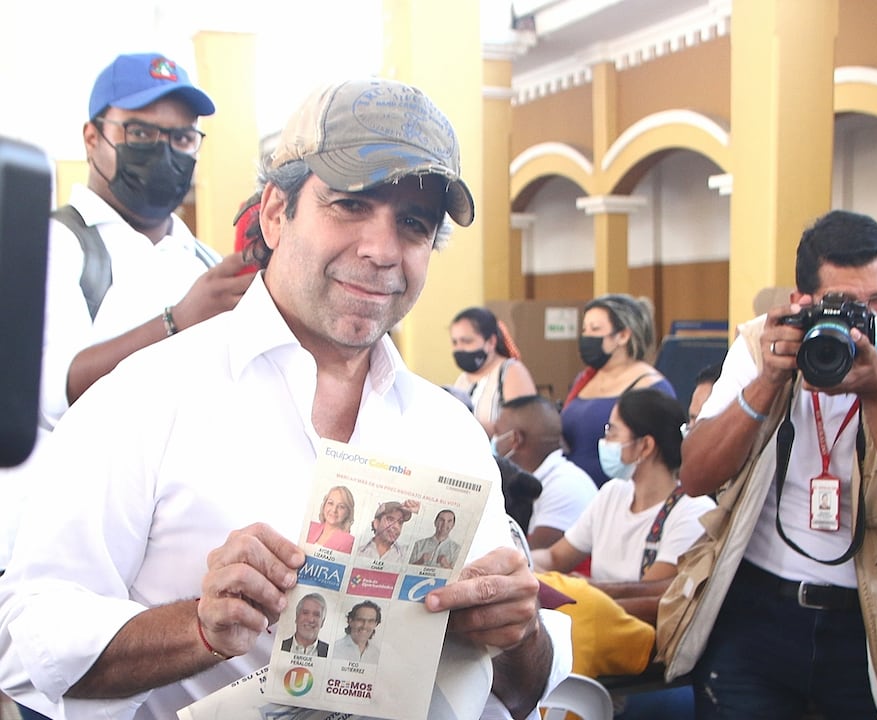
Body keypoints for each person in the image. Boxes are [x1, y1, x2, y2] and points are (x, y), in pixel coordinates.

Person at [0, 77, 567, 720]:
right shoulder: (144, 397)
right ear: (275, 212)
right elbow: (29, 646)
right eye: (350, 205)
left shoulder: (449, 432)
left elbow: (522, 693)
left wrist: (518, 632)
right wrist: (199, 628)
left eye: (413, 224)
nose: (382, 251)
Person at [676, 210, 877, 718]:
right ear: (802, 303)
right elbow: (696, 476)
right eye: (844, 305)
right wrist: (768, 382)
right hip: (756, 611)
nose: (865, 320)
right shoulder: (762, 343)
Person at [0, 52, 254, 570]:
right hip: (49, 552)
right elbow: (52, 395)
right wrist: (177, 322)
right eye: (141, 134)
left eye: (182, 138)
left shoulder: (204, 262)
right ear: (94, 138)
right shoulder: (55, 242)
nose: (165, 152)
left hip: (166, 556)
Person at [533, 388, 714, 624]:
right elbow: (555, 557)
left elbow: (650, 593)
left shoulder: (692, 510)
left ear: (645, 446)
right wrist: (525, 563)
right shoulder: (613, 492)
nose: (605, 441)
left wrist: (584, 590)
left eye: (612, 432)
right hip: (595, 621)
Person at [561, 294, 676, 486]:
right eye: (585, 329)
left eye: (595, 329)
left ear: (623, 335)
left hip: (618, 493)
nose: (587, 336)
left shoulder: (649, 385)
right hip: (573, 491)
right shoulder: (584, 380)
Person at [493, 395, 597, 549]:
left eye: (497, 433)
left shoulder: (565, 486)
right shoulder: (529, 480)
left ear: (515, 439)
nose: (494, 440)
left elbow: (529, 558)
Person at [450, 307, 537, 435]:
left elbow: (523, 427)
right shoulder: (463, 378)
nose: (459, 348)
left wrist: (469, 426)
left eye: (466, 341)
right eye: (455, 342)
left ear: (491, 342)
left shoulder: (511, 372)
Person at [306, 485, 356, 553]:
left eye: (341, 507)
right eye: (330, 503)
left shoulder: (349, 541)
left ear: (348, 512)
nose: (334, 510)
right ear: (324, 505)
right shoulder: (310, 526)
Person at [281, 593, 329, 657]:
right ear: (297, 617)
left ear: (322, 622)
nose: (310, 619)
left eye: (316, 614)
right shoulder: (281, 645)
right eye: (305, 613)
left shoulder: (328, 651)